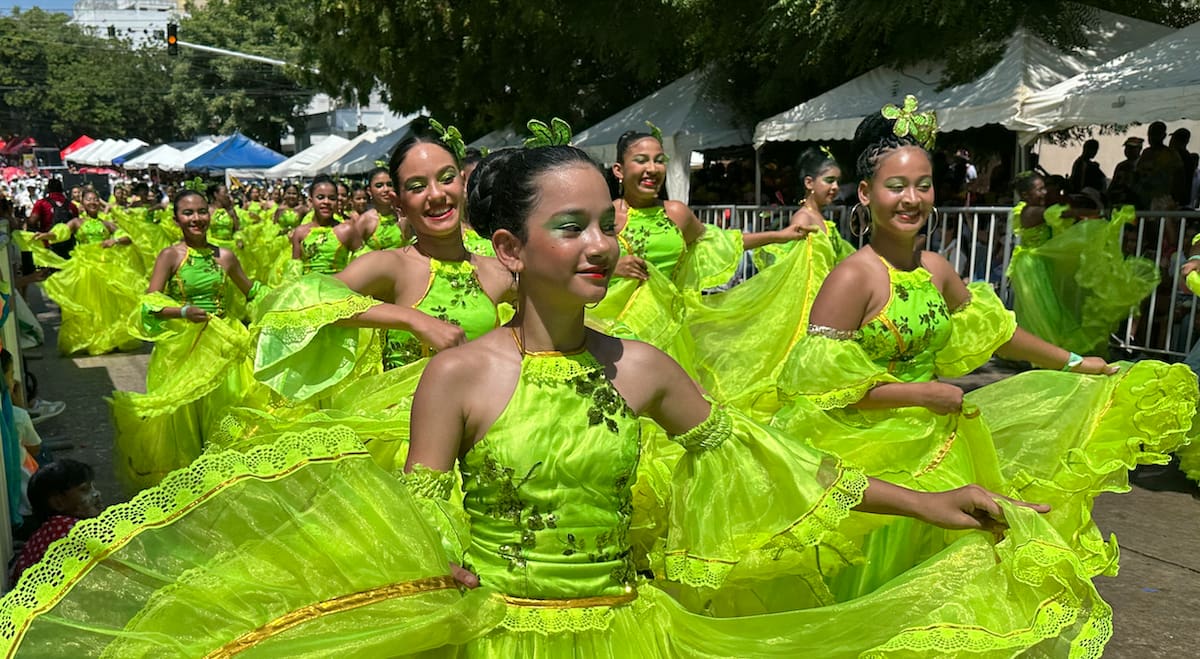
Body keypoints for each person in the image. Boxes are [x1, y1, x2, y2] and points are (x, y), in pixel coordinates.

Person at [0, 141, 1114, 658]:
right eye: (569, 225)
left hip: (629, 633)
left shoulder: (644, 369)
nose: (598, 242)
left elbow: (772, 465)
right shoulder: (459, 373)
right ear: (509, 246)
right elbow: (415, 523)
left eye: (606, 221)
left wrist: (928, 503)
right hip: (493, 637)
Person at [766, 100, 1194, 596]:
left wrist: (1078, 363)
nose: (911, 199)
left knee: (955, 579)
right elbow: (816, 391)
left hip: (942, 442)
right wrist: (920, 395)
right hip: (871, 453)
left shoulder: (936, 268)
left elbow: (997, 332)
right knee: (883, 585)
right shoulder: (851, 278)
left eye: (923, 185)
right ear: (865, 193)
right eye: (896, 186)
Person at [110, 190, 264, 493]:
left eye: (202, 212)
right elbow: (149, 303)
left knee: (227, 409)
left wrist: (296, 297)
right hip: (184, 346)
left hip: (224, 344)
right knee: (185, 417)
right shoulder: (170, 256)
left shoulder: (226, 256)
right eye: (189, 213)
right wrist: (181, 311)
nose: (197, 219)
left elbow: (253, 291)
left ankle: (227, 479)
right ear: (176, 218)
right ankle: (192, 484)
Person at [1007, 172, 1158, 355]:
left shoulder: (1031, 209)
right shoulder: (1032, 211)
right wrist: (1096, 214)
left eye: (1044, 187)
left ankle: (1044, 352)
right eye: (1039, 189)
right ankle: (1046, 353)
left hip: (1038, 261)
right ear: (1026, 195)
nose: (1045, 192)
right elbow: (1067, 213)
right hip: (1033, 264)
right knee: (1045, 312)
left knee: (1047, 311)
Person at [15, 190, 143, 355]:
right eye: (89, 199)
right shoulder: (77, 222)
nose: (93, 202)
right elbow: (61, 233)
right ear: (82, 203)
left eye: (96, 199)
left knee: (108, 303)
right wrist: (46, 235)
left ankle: (110, 338)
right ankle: (92, 338)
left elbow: (127, 237)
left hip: (106, 266)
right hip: (85, 267)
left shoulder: (107, 223)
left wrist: (115, 240)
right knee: (89, 303)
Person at [9, 459, 102, 583]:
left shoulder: (50, 529)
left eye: (92, 487)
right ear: (58, 503)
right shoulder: (70, 531)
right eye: (84, 490)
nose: (96, 494)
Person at [290, 176, 362, 275]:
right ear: (311, 200)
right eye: (320, 197)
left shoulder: (347, 230)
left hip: (337, 287)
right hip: (307, 288)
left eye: (332, 198)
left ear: (337, 201)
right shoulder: (300, 232)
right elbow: (294, 271)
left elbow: (362, 263)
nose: (326, 202)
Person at [354, 166, 408, 251]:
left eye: (389, 185)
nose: (386, 189)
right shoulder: (365, 220)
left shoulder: (403, 214)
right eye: (379, 186)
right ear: (369, 191)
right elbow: (353, 252)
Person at [1135, 121, 1184, 210]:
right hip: (1143, 198)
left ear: (1163, 135)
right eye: (1150, 134)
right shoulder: (1146, 153)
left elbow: (1179, 176)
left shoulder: (1171, 154)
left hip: (1162, 199)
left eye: (1155, 134)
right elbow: (1138, 173)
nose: (1151, 138)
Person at [1106, 136, 1142, 206]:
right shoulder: (1121, 166)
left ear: (1139, 149)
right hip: (1118, 201)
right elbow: (1114, 183)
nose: (1128, 150)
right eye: (1127, 148)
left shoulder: (1142, 165)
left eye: (1132, 148)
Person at [1170, 128, 1196, 209]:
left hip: (1175, 200)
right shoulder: (1188, 157)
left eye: (1173, 138)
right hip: (1182, 199)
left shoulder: (1177, 156)